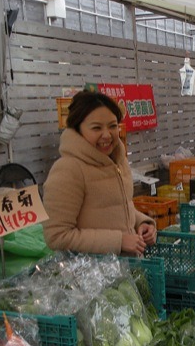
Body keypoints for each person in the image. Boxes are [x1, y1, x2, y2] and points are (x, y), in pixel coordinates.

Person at [43, 91, 156, 256]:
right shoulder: (68, 169)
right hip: (92, 276)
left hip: (126, 269)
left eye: (112, 126)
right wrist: (119, 241)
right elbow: (57, 236)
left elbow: (118, 207)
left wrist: (142, 223)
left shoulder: (117, 159)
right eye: (96, 128)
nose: (107, 135)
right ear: (78, 129)